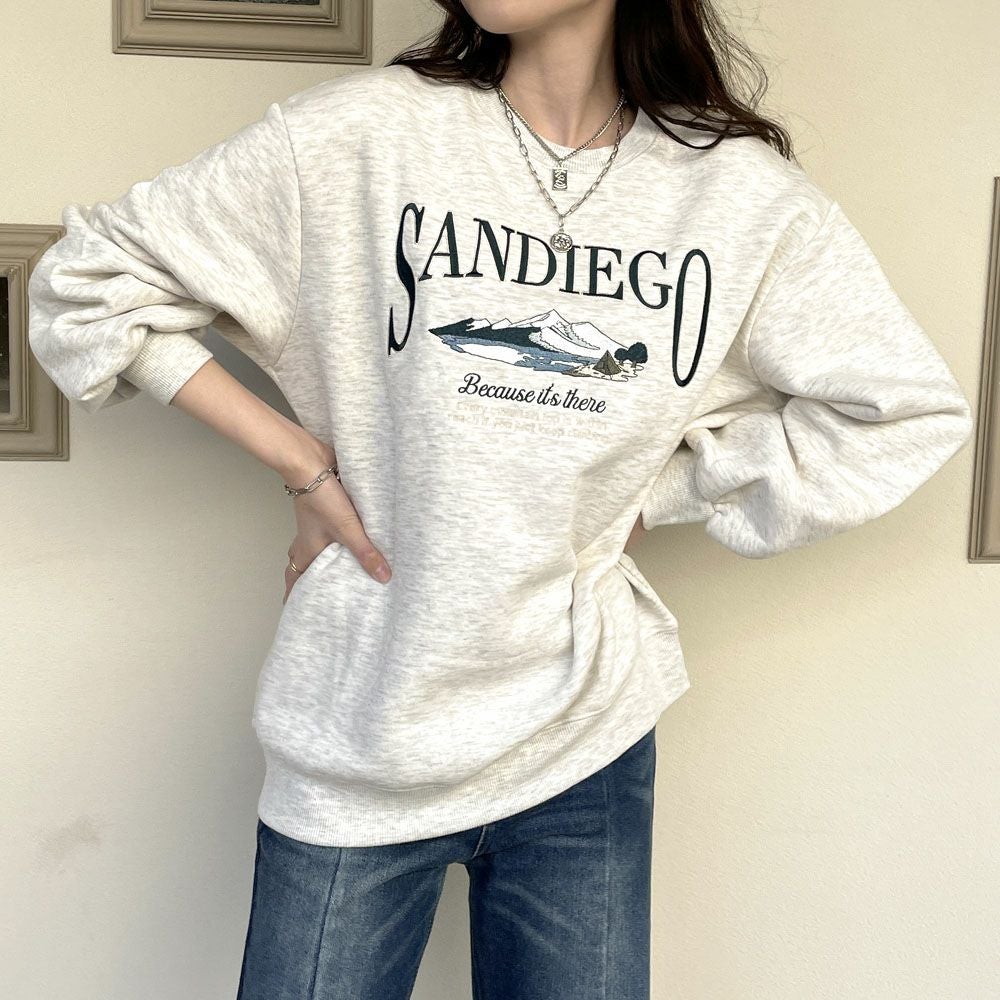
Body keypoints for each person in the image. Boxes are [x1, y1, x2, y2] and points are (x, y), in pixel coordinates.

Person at [26, 0, 973, 996]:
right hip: (360, 719)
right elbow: (85, 283)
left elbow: (903, 411)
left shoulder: (738, 198)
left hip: (584, 738)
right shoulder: (362, 136)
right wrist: (300, 459)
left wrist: (652, 495)